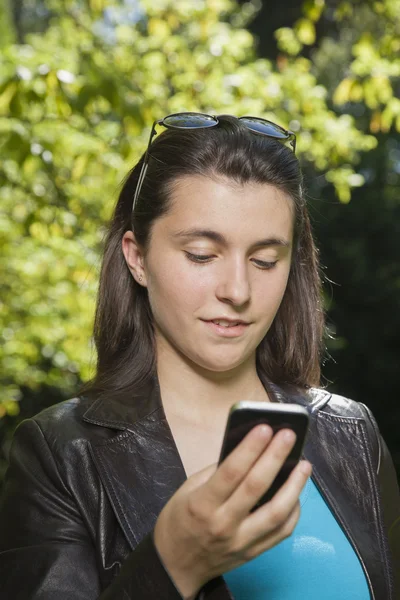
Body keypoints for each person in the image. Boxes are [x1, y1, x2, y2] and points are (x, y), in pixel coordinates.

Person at [0, 112, 399, 600]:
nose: (237, 289)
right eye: (202, 255)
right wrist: (172, 565)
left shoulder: (353, 435)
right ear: (137, 256)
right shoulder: (60, 456)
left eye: (265, 260)